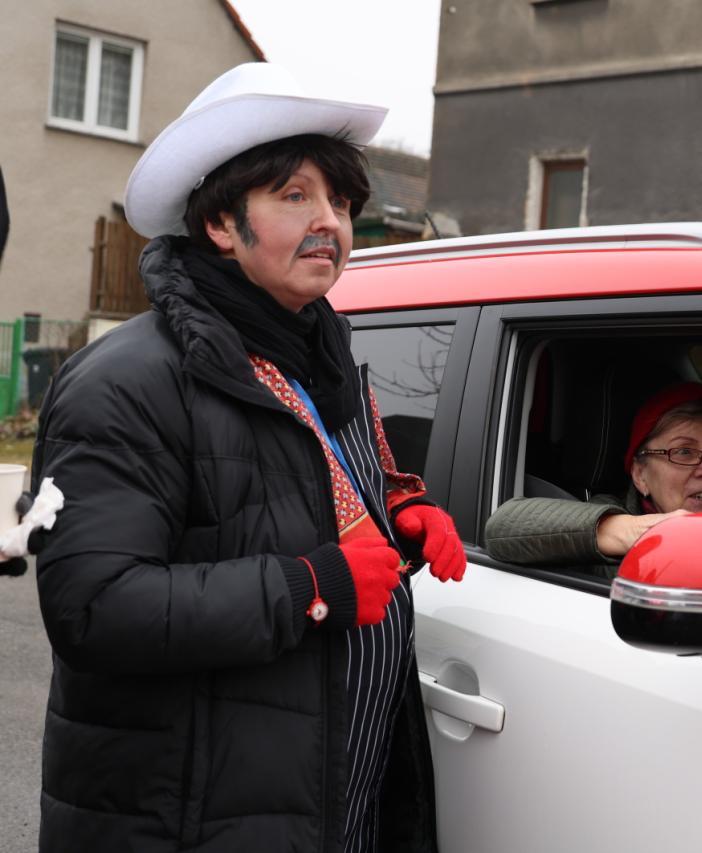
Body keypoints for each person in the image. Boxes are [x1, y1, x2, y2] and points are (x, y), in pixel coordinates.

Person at [31, 63, 465, 853]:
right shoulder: (126, 381)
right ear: (221, 227)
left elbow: (308, 484)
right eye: (294, 196)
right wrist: (312, 587)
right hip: (195, 822)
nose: (329, 221)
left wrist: (397, 505)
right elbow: (94, 607)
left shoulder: (321, 354)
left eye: (340, 201)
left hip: (330, 809)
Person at [486, 381, 702, 570]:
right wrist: (639, 533)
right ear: (640, 475)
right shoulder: (612, 516)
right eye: (684, 452)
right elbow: (502, 527)